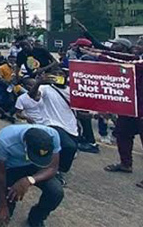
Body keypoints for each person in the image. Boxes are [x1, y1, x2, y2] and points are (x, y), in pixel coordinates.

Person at [81, 46, 143, 188]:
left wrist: (99, 56)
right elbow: (122, 56)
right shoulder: (139, 58)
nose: (138, 45)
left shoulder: (139, 64)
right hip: (133, 106)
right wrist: (100, 53)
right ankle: (125, 164)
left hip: (139, 107)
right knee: (122, 133)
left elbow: (125, 64)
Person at [0, 125, 64, 227]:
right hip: (10, 168)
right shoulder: (5, 139)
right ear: (25, 144)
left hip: (34, 167)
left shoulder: (53, 135)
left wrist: (29, 179)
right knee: (4, 210)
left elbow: (52, 168)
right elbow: (0, 173)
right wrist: (2, 205)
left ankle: (36, 217)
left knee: (56, 192)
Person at [29, 72, 78, 185]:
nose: (58, 77)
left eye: (61, 75)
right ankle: (56, 171)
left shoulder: (71, 91)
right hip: (52, 123)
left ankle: (53, 168)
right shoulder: (46, 88)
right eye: (56, 74)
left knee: (66, 149)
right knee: (69, 146)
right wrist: (39, 83)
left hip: (71, 125)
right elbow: (33, 96)